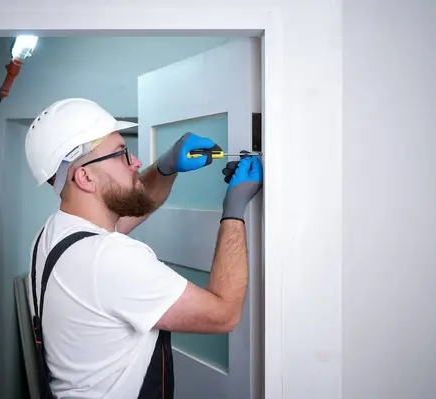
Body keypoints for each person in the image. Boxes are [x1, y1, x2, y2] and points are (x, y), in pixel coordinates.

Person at [24, 97, 263, 399]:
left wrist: (165, 167)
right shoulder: (109, 258)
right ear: (85, 177)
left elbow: (126, 213)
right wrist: (234, 209)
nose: (135, 162)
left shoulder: (53, 236)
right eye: (121, 155)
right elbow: (223, 313)